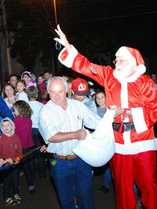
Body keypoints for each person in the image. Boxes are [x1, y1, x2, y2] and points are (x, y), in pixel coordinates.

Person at [55, 25, 157, 209]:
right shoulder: (109, 76)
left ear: (132, 62)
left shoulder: (145, 82)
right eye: (116, 60)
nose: (116, 63)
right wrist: (68, 47)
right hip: (118, 142)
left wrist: (126, 112)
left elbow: (153, 111)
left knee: (149, 184)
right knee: (122, 187)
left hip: (142, 140)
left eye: (121, 60)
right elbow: (87, 66)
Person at [39, 77, 101, 209]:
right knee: (66, 199)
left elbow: (96, 122)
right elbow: (51, 137)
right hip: (59, 162)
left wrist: (112, 119)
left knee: (86, 196)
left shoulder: (78, 106)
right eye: (52, 92)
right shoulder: (45, 111)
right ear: (48, 92)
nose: (56, 96)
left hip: (81, 159)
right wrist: (76, 134)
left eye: (60, 91)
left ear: (67, 90)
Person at [0, 118, 23, 206]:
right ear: (1, 128)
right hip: (5, 166)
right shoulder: (0, 140)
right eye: (3, 125)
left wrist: (18, 159)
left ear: (12, 126)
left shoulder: (16, 137)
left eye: (8, 125)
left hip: (15, 165)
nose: (6, 127)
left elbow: (19, 151)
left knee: (15, 180)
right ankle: (7, 197)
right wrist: (0, 162)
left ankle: (16, 194)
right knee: (7, 182)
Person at [12, 100, 36, 194]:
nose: (14, 112)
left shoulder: (16, 120)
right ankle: (31, 186)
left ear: (19, 110)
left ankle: (16, 187)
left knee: (15, 168)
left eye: (15, 110)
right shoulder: (29, 120)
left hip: (17, 148)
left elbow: (13, 133)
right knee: (27, 167)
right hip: (27, 147)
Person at [94, 90, 112, 194]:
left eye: (102, 97)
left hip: (108, 140)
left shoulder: (109, 111)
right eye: (98, 98)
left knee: (109, 163)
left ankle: (106, 184)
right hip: (97, 141)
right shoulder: (94, 111)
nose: (100, 99)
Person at [27, 86, 46, 179]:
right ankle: (42, 174)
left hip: (29, 131)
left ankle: (32, 174)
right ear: (37, 95)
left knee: (30, 154)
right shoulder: (41, 105)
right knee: (40, 153)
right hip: (39, 131)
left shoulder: (25, 105)